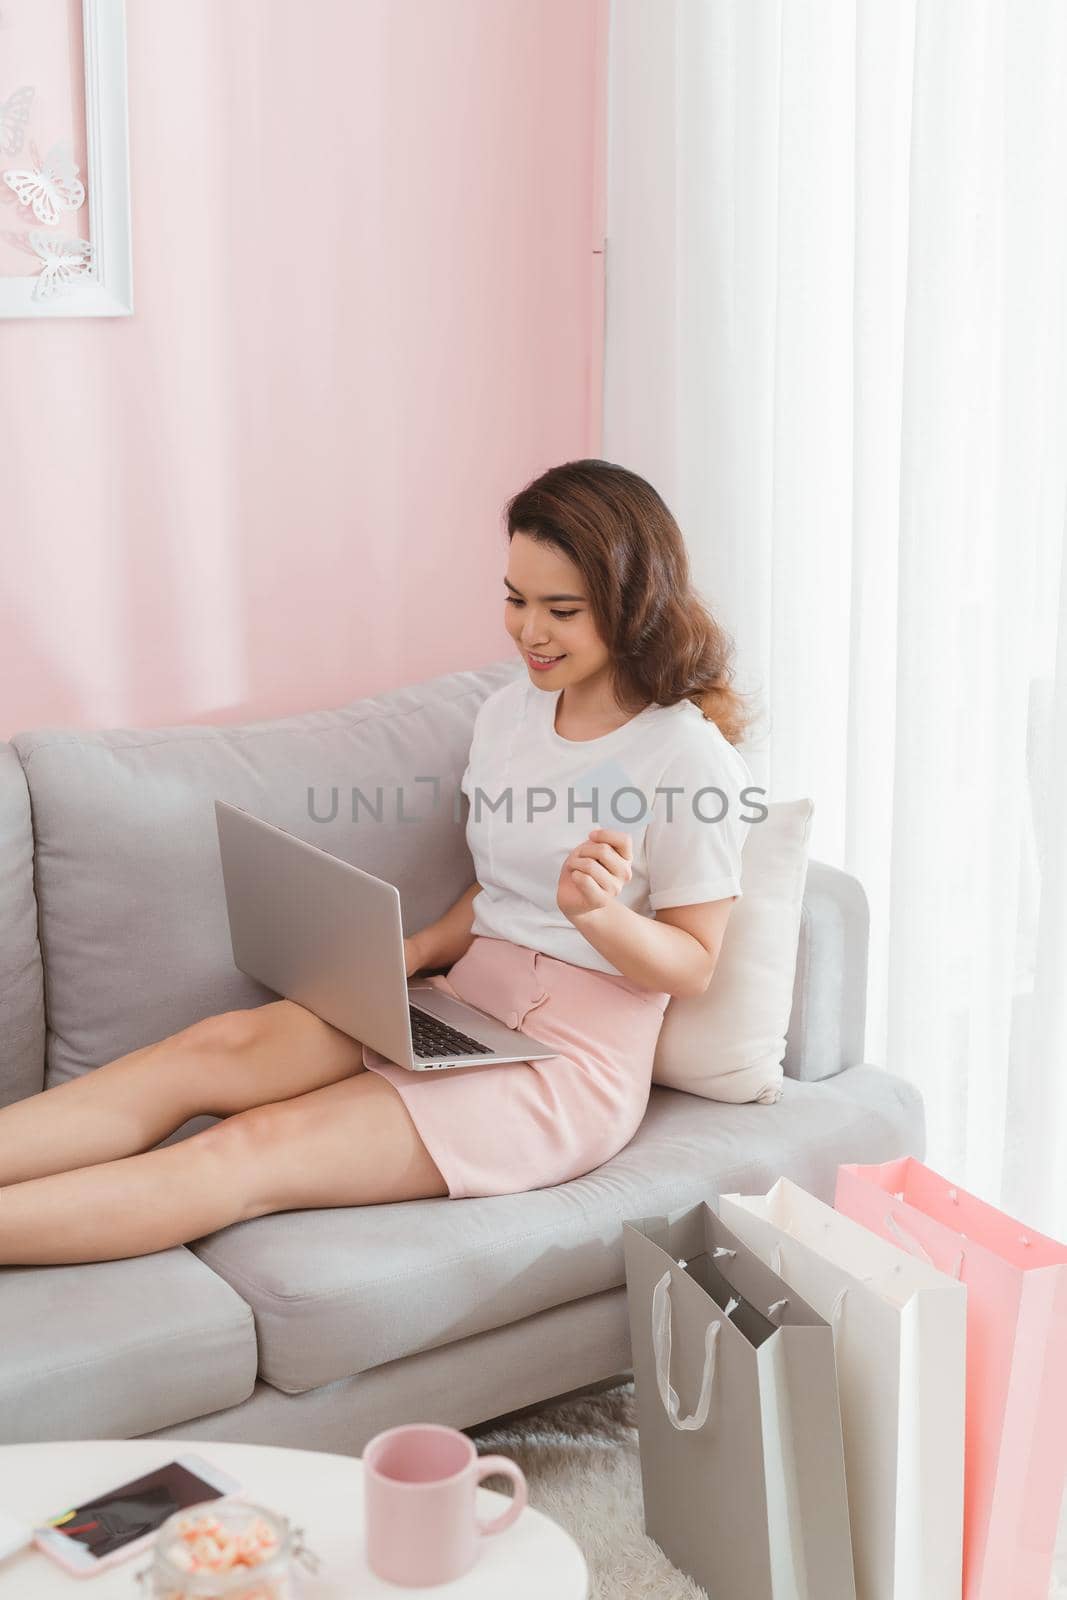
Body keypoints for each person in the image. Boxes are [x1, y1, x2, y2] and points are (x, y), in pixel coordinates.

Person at [0, 459, 759, 1266]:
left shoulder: (685, 757)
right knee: (208, 1050)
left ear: (630, 604)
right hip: (467, 1002)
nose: (529, 631)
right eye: (514, 599)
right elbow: (504, 887)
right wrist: (415, 951)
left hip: (568, 1064)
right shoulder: (508, 714)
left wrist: (600, 918)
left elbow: (693, 966)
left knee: (250, 1147)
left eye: (559, 610)